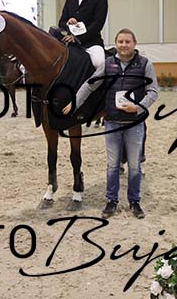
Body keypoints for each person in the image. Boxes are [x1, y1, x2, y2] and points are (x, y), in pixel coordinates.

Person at [63, 29, 158, 219]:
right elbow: (90, 84)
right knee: (112, 166)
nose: (124, 45)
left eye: (127, 41)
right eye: (120, 41)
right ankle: (111, 201)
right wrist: (75, 102)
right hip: (112, 123)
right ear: (116, 44)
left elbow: (153, 91)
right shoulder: (107, 64)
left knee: (134, 166)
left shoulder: (145, 64)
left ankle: (134, 201)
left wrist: (138, 107)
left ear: (134, 43)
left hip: (134, 124)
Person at [58, 0, 108, 85]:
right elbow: (61, 22)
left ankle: (98, 91)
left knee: (100, 63)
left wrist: (77, 38)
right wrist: (68, 23)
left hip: (92, 43)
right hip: (71, 44)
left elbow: (97, 25)